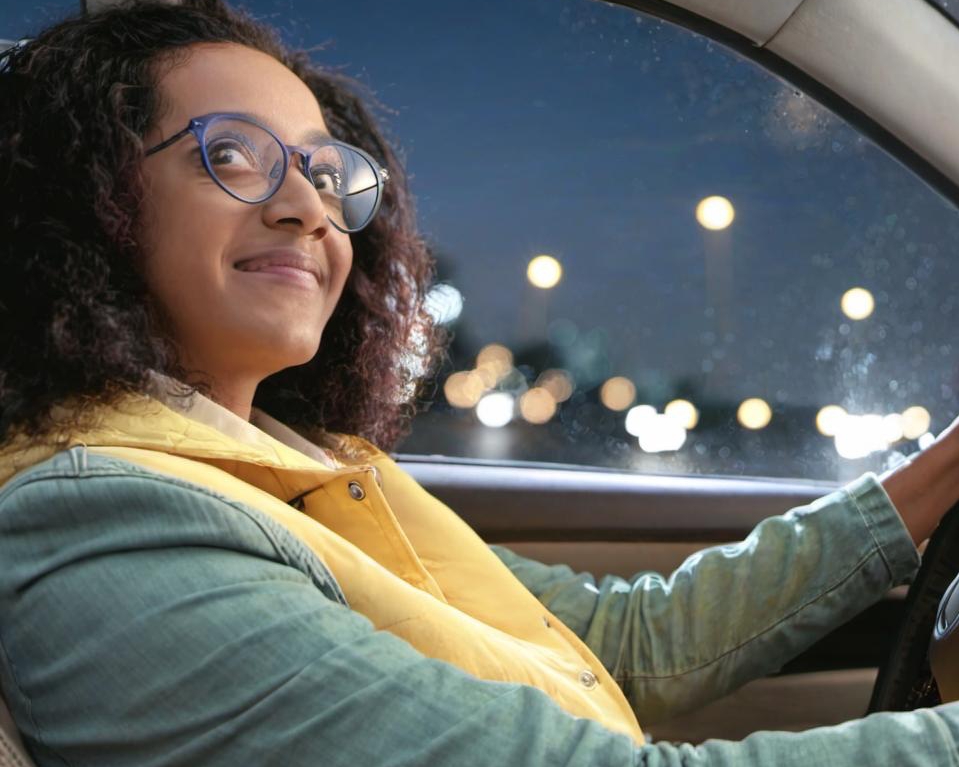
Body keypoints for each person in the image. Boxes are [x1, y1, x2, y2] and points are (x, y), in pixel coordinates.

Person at [1, 0, 959, 764]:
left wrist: (939, 475)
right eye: (232, 156)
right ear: (86, 202)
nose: (308, 209)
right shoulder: (106, 519)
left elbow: (623, 642)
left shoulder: (303, 465)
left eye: (327, 173)